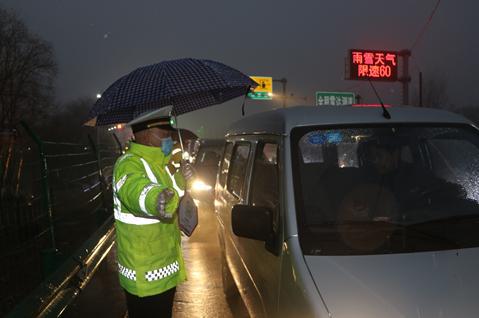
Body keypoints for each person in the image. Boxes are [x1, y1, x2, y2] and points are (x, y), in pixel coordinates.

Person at [112, 109, 195, 318]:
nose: (169, 138)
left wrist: (182, 180)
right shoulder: (128, 163)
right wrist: (154, 198)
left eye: (170, 134)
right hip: (145, 275)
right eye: (164, 133)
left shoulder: (161, 166)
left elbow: (172, 193)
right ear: (145, 135)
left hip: (163, 267)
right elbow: (135, 188)